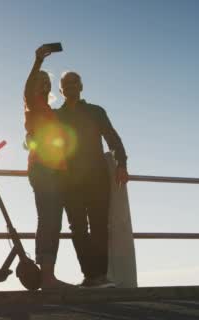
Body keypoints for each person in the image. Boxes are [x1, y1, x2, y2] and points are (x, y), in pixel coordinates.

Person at [55, 71, 129, 288]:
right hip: (69, 181)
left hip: (96, 178)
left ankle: (101, 276)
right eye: (66, 83)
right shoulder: (57, 116)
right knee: (77, 228)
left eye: (74, 82)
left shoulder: (95, 111)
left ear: (81, 87)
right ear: (61, 89)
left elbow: (112, 138)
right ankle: (90, 275)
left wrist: (122, 164)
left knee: (98, 227)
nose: (70, 86)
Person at [23, 44, 72, 290]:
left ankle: (47, 275)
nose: (43, 84)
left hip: (55, 171)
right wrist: (38, 62)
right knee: (49, 220)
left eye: (46, 82)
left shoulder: (49, 111)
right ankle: (47, 278)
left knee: (53, 221)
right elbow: (28, 87)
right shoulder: (33, 104)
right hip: (43, 170)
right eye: (39, 81)